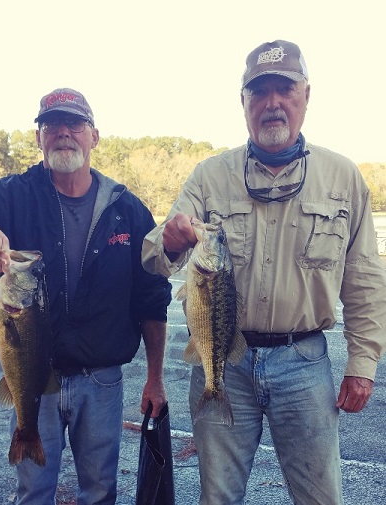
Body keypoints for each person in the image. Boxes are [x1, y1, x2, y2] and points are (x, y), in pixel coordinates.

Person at [142, 40, 386, 505]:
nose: (272, 102)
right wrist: (170, 238)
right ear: (244, 102)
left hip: (304, 362)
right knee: (218, 496)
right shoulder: (209, 177)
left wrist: (362, 363)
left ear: (306, 96)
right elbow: (154, 257)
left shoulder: (344, 177)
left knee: (321, 497)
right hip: (223, 363)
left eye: (284, 89)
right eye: (259, 92)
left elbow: (365, 279)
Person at [0, 87, 172, 505]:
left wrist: (156, 377)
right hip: (34, 376)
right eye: (51, 124)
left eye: (75, 123)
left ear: (95, 136)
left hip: (103, 380)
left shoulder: (127, 209)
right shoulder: (13, 195)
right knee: (33, 492)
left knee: (101, 492)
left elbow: (152, 297)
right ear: (38, 137)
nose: (63, 133)